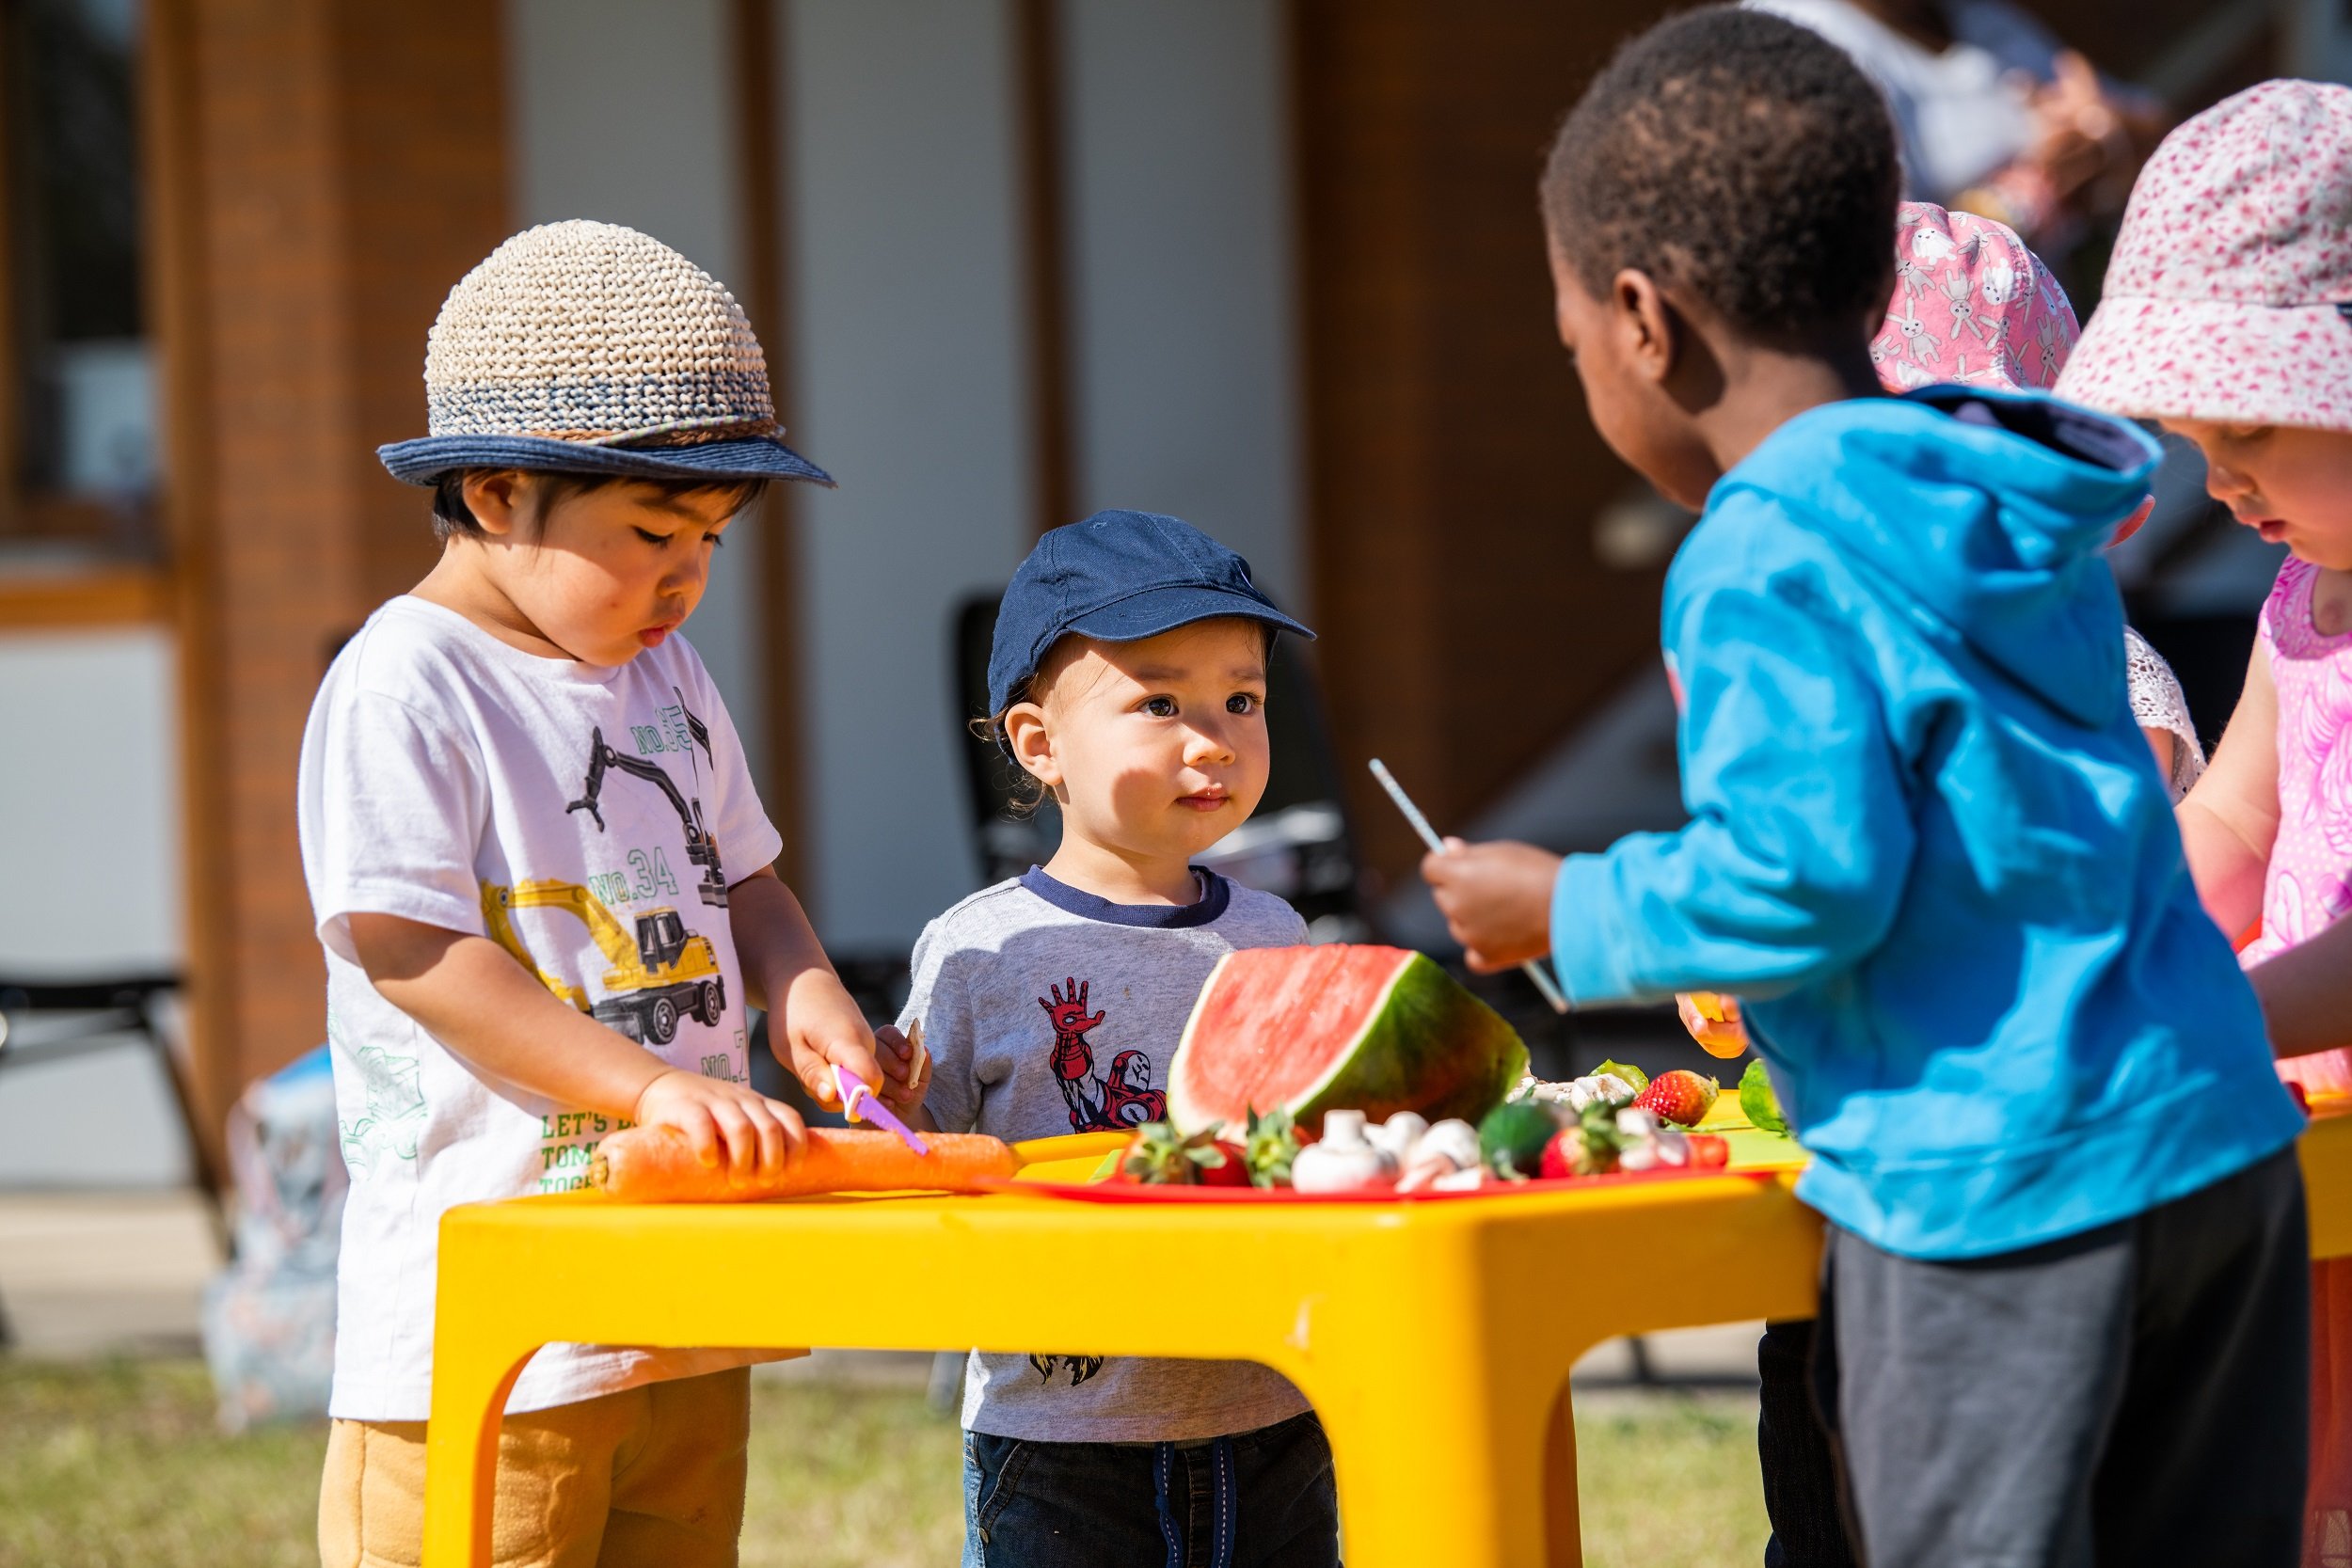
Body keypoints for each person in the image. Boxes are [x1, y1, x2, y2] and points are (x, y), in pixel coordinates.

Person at [1422, 10, 2312, 1564]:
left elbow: (1803, 881)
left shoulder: (1765, 548)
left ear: (1645, 321)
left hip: (2002, 1188)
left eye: (1570, 348)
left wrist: (1569, 899)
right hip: (2220, 1153)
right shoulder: (2027, 509)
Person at [297, 220, 917, 1568]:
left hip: (680, 1290)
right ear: (496, 492)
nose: (686, 575)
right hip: (491, 1327)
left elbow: (745, 879)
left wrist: (808, 993)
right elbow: (415, 952)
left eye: (709, 537)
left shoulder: (667, 675)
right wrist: (649, 1087)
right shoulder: (407, 682)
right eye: (651, 530)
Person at [897, 509, 1339, 1568]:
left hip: (1269, 1404)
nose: (1213, 737)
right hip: (1060, 1431)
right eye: (1159, 702)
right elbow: (917, 1157)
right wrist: (883, 1085)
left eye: (1242, 699)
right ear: (1039, 744)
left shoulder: (1275, 934)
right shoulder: (981, 949)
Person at [2055, 76, 2352, 1565]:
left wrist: (2214, 1011)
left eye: (2248, 425)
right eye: (2193, 432)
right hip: (2298, 1107)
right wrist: (2125, 943)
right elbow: (2238, 803)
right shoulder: (2306, 590)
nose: (2215, 476)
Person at [1749, 0, 2163, 249]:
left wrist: (2110, 133)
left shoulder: (1971, 14)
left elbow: (2161, 132)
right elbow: (1881, 268)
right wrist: (2031, 193)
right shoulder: (1795, 44)